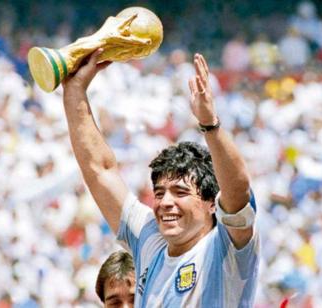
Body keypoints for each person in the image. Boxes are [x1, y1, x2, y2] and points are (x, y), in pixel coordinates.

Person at [62, 48, 259, 307]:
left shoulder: (227, 248)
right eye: (159, 193)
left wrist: (210, 125)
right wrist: (74, 90)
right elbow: (101, 171)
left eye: (180, 192)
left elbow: (238, 192)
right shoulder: (150, 240)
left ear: (212, 203)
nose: (165, 202)